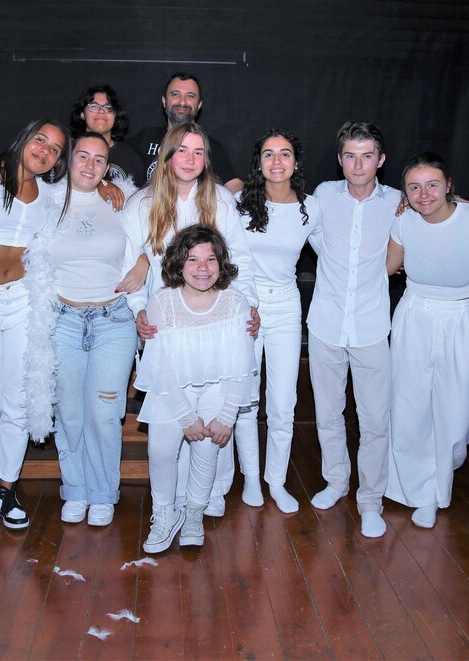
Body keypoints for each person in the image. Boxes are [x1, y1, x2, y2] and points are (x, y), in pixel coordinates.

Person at [125, 121, 259, 517]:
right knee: (175, 409)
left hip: (214, 320)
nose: (190, 159)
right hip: (164, 324)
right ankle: (175, 501)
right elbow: (130, 263)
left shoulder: (220, 199)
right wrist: (138, 310)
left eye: (198, 152)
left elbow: (240, 258)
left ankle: (211, 492)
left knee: (215, 403)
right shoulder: (142, 203)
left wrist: (249, 305)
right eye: (182, 150)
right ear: (167, 155)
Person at [22, 132, 143, 527]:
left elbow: (153, 241)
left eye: (99, 159)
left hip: (114, 321)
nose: (90, 165)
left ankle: (104, 493)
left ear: (108, 167)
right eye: (83, 157)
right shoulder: (45, 201)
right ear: (69, 160)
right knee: (70, 413)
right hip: (63, 321)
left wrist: (143, 264)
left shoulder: (123, 201)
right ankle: (75, 489)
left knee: (105, 414)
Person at [0, 119, 71, 530]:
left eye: (55, 149)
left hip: (21, 302)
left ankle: (6, 486)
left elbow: (93, 181)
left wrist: (113, 186)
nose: (46, 151)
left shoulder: (51, 193)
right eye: (41, 140)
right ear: (24, 137)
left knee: (20, 400)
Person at [134, 225, 257, 552]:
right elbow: (160, 366)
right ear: (179, 263)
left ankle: (193, 512)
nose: (203, 268)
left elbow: (241, 365)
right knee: (161, 449)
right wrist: (186, 416)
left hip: (218, 388)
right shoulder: (163, 302)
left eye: (210, 259)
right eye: (193, 259)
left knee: (206, 450)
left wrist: (227, 415)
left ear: (221, 263)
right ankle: (165, 513)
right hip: (173, 389)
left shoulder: (235, 302)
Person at [384, 152, 469, 529]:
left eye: (432, 184)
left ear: (449, 186)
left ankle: (439, 474)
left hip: (460, 318)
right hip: (414, 316)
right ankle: (421, 492)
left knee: (457, 411)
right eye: (414, 187)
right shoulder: (404, 221)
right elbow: (386, 268)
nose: (424, 194)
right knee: (410, 407)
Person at [307, 121, 402, 538]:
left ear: (381, 160)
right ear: (339, 159)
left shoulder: (399, 201)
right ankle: (336, 481)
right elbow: (312, 237)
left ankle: (371, 500)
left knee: (375, 420)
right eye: (350, 155)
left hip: (372, 326)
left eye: (367, 156)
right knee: (327, 413)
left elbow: (442, 207)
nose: (358, 164)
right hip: (326, 323)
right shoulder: (324, 196)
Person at [234, 129, 322, 513]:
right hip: (246, 308)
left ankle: (277, 481)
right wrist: (245, 303)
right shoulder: (239, 203)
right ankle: (252, 478)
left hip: (286, 305)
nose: (277, 161)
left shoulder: (311, 208)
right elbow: (228, 258)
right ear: (259, 162)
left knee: (284, 402)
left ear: (296, 162)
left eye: (285, 153)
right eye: (268, 154)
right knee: (246, 399)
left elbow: (336, 253)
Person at [131, 72, 243, 192]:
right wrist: (112, 185)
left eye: (190, 96)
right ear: (164, 101)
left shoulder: (211, 146)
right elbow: (118, 170)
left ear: (199, 105)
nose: (182, 102)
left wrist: (249, 195)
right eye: (175, 94)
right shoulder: (145, 139)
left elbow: (234, 185)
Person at [69, 84, 147, 186]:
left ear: (116, 115)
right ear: (82, 114)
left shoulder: (132, 157)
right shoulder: (68, 151)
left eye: (108, 108)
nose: (101, 111)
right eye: (94, 106)